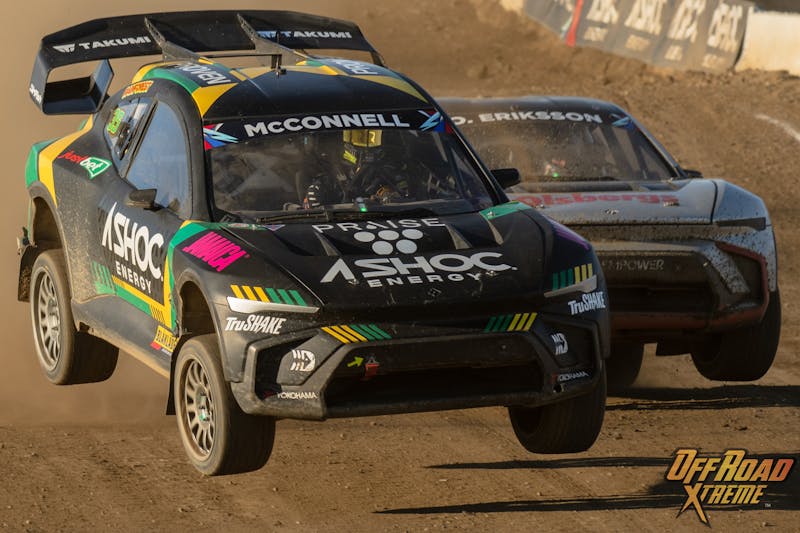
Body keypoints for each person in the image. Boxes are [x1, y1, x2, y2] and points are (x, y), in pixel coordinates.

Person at [304, 129, 413, 208]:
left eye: (372, 137)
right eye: (360, 137)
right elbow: (311, 212)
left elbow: (408, 199)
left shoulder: (388, 172)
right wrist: (314, 198)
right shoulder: (332, 174)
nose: (366, 145)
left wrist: (390, 196)